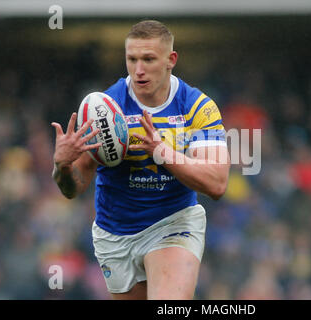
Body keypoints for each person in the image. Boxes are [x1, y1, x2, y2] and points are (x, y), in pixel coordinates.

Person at [51, 20, 230, 300]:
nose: (139, 70)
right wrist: (62, 166)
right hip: (116, 233)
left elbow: (217, 183)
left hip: (174, 224)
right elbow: (73, 188)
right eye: (132, 59)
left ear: (171, 60)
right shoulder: (107, 107)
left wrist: (163, 153)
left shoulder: (197, 107)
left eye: (148, 59)